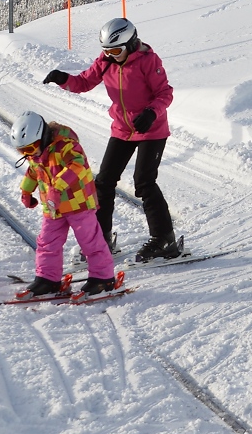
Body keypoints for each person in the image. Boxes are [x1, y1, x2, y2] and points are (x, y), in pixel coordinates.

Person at [42, 18, 179, 263]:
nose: (111, 56)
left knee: (144, 182)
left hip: (151, 129)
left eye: (116, 51)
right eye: (107, 51)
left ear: (131, 43)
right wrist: (63, 78)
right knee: (103, 182)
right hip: (122, 129)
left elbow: (165, 93)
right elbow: (84, 82)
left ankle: (164, 240)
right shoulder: (106, 62)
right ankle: (101, 239)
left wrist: (150, 113)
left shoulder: (149, 61)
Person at [11, 110, 116, 298]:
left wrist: (57, 187)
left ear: (42, 136)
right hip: (53, 207)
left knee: (90, 242)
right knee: (47, 243)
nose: (29, 154)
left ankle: (103, 279)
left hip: (78, 204)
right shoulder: (36, 154)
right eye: (23, 151)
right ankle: (47, 279)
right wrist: (26, 190)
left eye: (30, 148)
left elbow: (78, 164)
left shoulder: (66, 146)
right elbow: (33, 172)